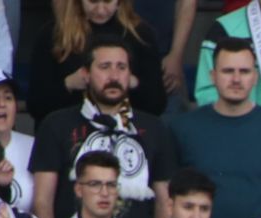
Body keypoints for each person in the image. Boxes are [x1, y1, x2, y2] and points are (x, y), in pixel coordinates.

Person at [30, 37, 175, 218]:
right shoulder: (56, 124)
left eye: (121, 67)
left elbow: (165, 202)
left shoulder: (155, 127)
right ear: (86, 74)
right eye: (105, 67)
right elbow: (42, 201)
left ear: (130, 75)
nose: (114, 76)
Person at [171, 40, 261, 218]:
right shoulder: (182, 128)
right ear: (213, 76)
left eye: (245, 72)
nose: (236, 79)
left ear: (255, 77)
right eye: (228, 71)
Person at [21, 0, 167, 127]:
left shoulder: (140, 35)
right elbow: (36, 105)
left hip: (127, 133)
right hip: (69, 135)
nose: (101, 9)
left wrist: (132, 82)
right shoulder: (53, 35)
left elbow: (157, 105)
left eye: (107, 1)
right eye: (93, 1)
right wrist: (68, 84)